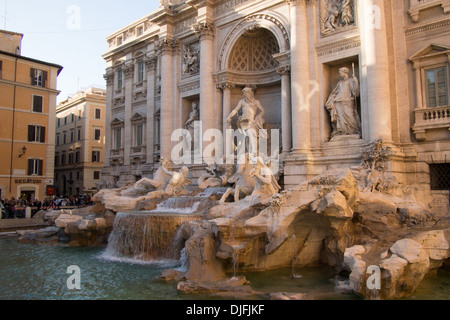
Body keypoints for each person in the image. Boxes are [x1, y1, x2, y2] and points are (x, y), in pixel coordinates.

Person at [226, 87, 266, 155]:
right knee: (248, 134)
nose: (244, 94)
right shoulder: (241, 102)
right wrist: (229, 117)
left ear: (250, 93)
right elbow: (235, 110)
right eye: (244, 93)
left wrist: (258, 117)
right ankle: (252, 151)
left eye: (246, 93)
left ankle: (252, 152)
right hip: (243, 122)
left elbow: (263, 111)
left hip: (252, 121)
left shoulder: (256, 102)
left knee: (249, 134)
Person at [325, 67, 361, 138]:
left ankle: (353, 130)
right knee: (340, 118)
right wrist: (331, 100)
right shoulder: (340, 83)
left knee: (350, 115)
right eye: (340, 72)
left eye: (341, 72)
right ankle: (342, 131)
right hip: (339, 101)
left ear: (345, 72)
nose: (340, 74)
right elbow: (334, 92)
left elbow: (355, 92)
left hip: (348, 101)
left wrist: (355, 82)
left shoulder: (351, 80)